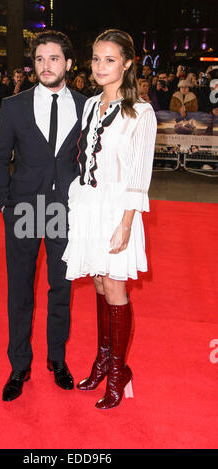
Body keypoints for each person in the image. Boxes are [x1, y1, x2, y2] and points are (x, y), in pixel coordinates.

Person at [62, 29, 157, 410]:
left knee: (116, 288)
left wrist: (126, 222)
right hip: (89, 204)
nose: (101, 66)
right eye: (97, 59)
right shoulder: (89, 105)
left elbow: (139, 174)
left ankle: (119, 372)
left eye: (110, 59)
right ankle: (103, 360)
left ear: (128, 63)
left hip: (118, 209)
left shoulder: (142, 112)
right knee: (100, 282)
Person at [0, 30, 87, 402]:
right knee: (20, 290)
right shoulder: (13, 105)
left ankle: (57, 359)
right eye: (41, 59)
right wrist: (3, 203)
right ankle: (19, 365)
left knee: (61, 289)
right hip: (23, 208)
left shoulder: (86, 106)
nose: (47, 66)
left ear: (67, 62)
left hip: (65, 209)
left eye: (54, 59)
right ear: (34, 64)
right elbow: (1, 156)